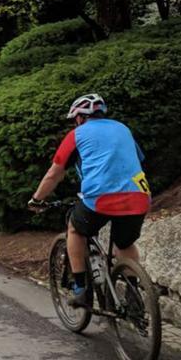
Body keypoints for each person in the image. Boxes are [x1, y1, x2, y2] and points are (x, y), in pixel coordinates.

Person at [28, 94, 150, 308]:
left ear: (79, 117)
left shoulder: (77, 134)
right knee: (125, 243)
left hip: (101, 198)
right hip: (139, 196)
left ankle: (81, 289)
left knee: (75, 230)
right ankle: (133, 295)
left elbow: (54, 173)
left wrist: (37, 199)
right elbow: (137, 159)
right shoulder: (123, 129)